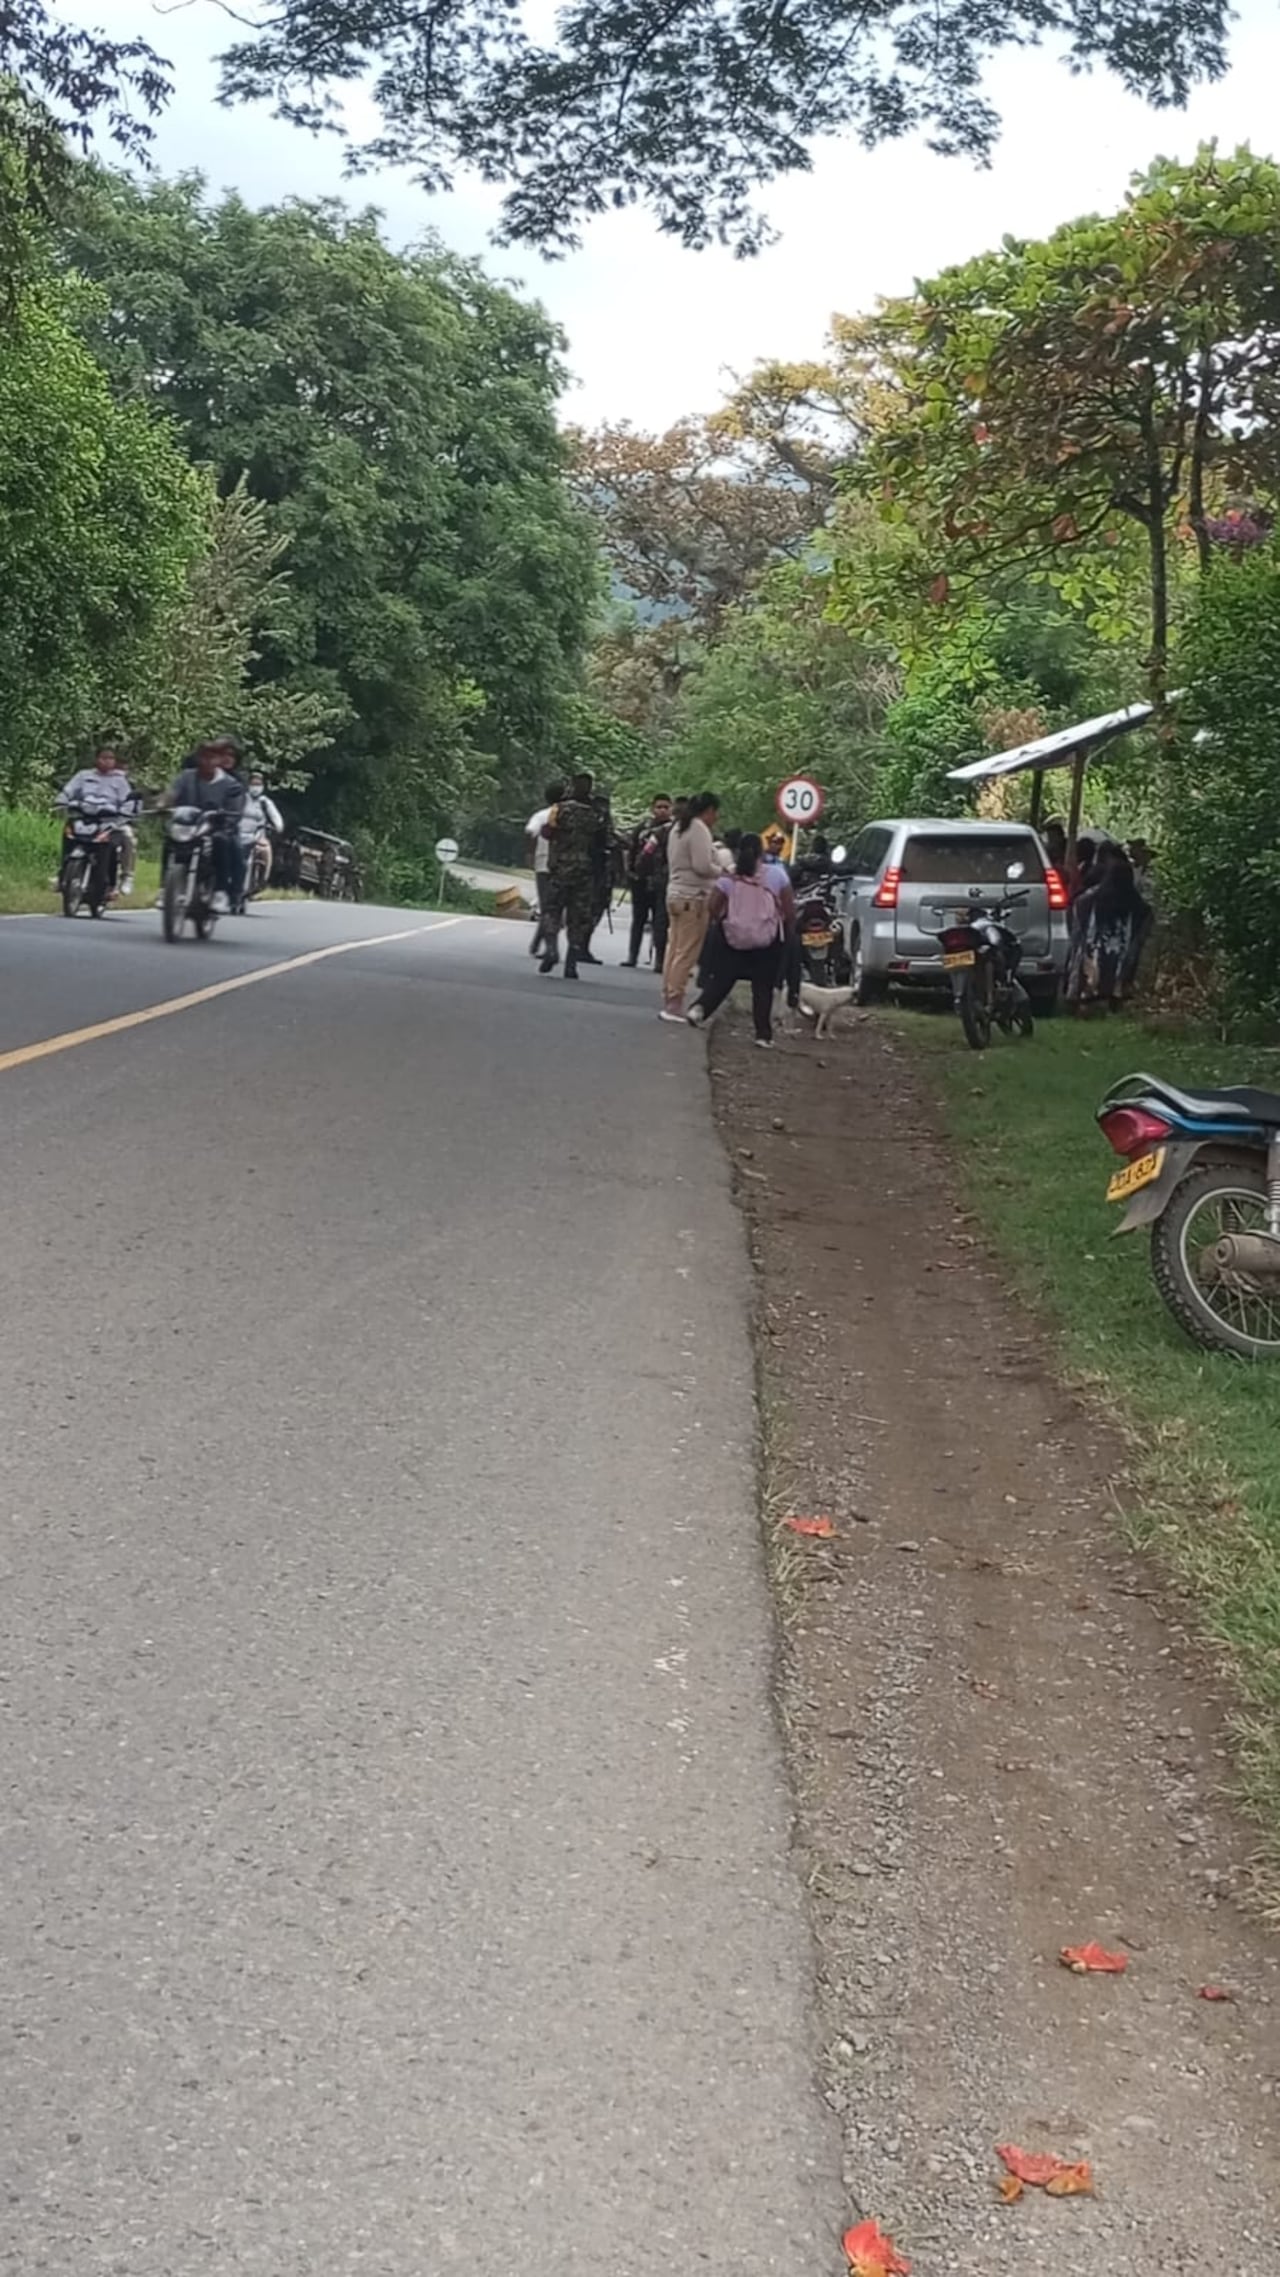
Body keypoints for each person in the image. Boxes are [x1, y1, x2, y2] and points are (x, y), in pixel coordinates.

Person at [686, 834, 793, 1047]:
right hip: (767, 940)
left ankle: (699, 1009)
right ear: (761, 852)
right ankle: (763, 1035)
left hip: (733, 937)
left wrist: (725, 921)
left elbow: (713, 905)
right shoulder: (776, 875)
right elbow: (789, 909)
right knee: (762, 987)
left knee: (723, 979)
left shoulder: (729, 877)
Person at [160, 737, 247, 914]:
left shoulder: (232, 784)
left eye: (213, 757)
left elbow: (235, 809)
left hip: (217, 828)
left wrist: (227, 820)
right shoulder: (186, 777)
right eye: (204, 757)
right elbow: (171, 794)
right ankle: (164, 889)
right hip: (189, 826)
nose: (208, 761)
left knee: (222, 842)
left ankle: (221, 891)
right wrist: (162, 805)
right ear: (198, 758)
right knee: (169, 840)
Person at [1066, 846, 1152, 1013]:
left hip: (1094, 950)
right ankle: (1116, 998)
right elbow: (1144, 923)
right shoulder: (1136, 904)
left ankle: (1086, 999)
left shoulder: (1092, 899)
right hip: (1122, 951)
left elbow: (1079, 910)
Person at [539, 769, 605, 980]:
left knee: (552, 911)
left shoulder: (559, 809)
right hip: (585, 873)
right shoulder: (597, 813)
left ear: (572, 787)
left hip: (559, 869)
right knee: (578, 919)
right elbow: (605, 843)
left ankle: (551, 949)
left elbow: (547, 832)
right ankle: (571, 964)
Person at [661, 791, 721, 1021]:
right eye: (715, 813)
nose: (716, 818)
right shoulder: (698, 829)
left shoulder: (677, 827)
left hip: (675, 894)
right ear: (709, 811)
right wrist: (723, 872)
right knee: (686, 953)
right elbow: (702, 866)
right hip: (693, 897)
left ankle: (668, 995)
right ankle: (674, 1002)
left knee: (674, 948)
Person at [54, 747, 138, 895]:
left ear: (114, 761)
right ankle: (62, 874)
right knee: (68, 833)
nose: (106, 761)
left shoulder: (120, 781)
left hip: (110, 821)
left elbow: (129, 800)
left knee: (128, 836)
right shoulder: (83, 776)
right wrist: (61, 800)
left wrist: (126, 813)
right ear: (96, 759)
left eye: (110, 758)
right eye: (103, 757)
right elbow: (68, 790)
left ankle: (126, 877)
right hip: (83, 818)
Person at [622, 793, 673, 968]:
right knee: (638, 919)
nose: (662, 810)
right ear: (653, 808)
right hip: (641, 881)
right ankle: (632, 956)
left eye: (666, 807)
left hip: (663, 882)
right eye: (659, 807)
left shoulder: (674, 829)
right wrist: (630, 872)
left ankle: (660, 960)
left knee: (660, 922)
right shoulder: (643, 827)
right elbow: (632, 849)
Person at [525, 779, 563, 958]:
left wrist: (530, 856)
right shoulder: (570, 815)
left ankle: (547, 946)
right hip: (565, 865)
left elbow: (531, 833)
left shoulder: (540, 816)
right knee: (556, 907)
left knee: (547, 906)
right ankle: (540, 943)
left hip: (544, 864)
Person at [238, 770, 283, 900]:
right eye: (253, 783)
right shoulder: (241, 799)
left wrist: (278, 826)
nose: (255, 787)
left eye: (258, 784)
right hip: (238, 836)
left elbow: (275, 816)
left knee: (266, 854)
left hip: (258, 837)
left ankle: (261, 882)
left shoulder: (265, 802)